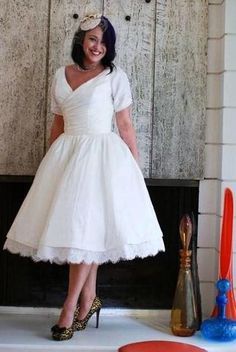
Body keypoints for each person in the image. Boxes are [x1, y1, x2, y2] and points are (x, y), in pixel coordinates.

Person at [3, 14, 165, 341]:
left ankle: (70, 305)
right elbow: (58, 125)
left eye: (104, 42)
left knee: (85, 233)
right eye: (92, 38)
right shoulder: (60, 75)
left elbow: (125, 125)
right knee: (84, 232)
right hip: (68, 157)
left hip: (102, 158)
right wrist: (51, 165)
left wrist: (134, 168)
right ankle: (88, 299)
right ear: (81, 40)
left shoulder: (114, 76)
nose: (98, 46)